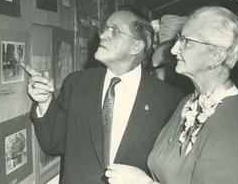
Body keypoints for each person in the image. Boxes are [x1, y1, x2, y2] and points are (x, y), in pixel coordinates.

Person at [22, 9, 184, 184]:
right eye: (104, 29)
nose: (102, 35)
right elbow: (54, 143)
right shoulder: (76, 84)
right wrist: (45, 102)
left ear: (136, 46)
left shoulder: (170, 100)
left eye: (114, 31)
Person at [105, 6, 238, 184]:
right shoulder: (188, 103)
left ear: (216, 56)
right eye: (178, 39)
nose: (174, 49)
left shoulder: (231, 124)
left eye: (186, 41)